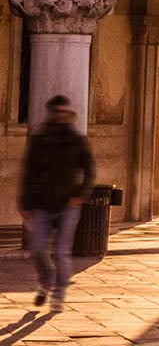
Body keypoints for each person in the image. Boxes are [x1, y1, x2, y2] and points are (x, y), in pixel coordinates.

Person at [20, 95, 94, 313]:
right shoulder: (39, 140)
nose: (61, 115)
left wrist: (81, 194)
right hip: (42, 204)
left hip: (68, 205)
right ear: (52, 113)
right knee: (37, 250)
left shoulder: (78, 140)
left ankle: (58, 295)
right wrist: (25, 203)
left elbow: (90, 170)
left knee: (62, 252)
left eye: (64, 111)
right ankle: (46, 280)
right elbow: (28, 172)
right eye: (57, 111)